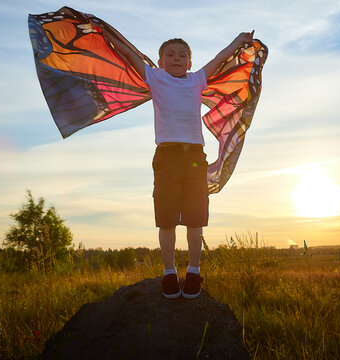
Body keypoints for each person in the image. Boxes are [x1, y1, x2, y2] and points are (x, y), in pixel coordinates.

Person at [107, 31, 254, 299]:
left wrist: (238, 42)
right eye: (171, 55)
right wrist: (105, 34)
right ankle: (169, 273)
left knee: (194, 217)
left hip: (195, 156)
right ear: (160, 61)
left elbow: (221, 59)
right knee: (167, 218)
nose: (177, 58)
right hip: (167, 155)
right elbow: (128, 53)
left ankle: (194, 272)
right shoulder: (155, 77)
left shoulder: (197, 79)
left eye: (182, 55)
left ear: (189, 62)